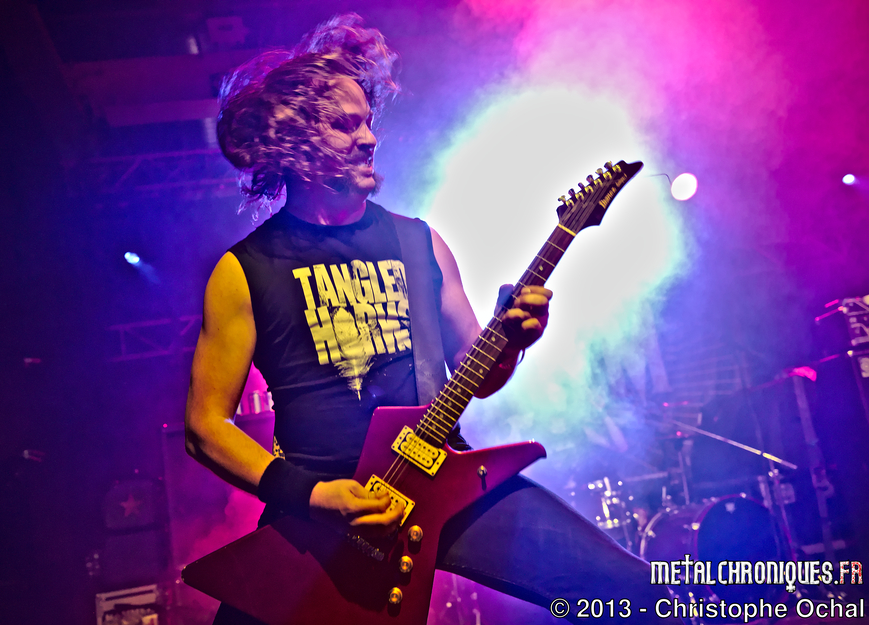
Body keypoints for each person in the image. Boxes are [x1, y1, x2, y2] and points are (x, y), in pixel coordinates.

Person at [185, 14, 678, 625]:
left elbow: (478, 370)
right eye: (345, 125)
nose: (369, 138)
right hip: (318, 518)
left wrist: (511, 340)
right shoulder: (245, 270)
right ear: (294, 141)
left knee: (638, 592)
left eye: (368, 121)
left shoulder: (419, 242)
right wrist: (311, 495)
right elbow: (205, 426)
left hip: (441, 478)